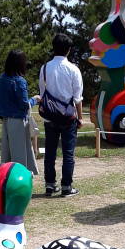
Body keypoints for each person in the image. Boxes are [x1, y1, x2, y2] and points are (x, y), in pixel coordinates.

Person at [40, 33, 84, 197]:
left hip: (49, 116)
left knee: (50, 152)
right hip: (68, 117)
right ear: (69, 50)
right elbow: (77, 98)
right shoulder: (73, 69)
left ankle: (50, 185)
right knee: (68, 153)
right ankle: (67, 186)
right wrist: (80, 117)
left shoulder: (44, 68)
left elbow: (43, 93)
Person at [0, 50, 40, 175]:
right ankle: (20, 177)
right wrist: (35, 99)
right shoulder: (19, 81)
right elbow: (24, 105)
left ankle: (5, 175)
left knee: (7, 151)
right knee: (20, 152)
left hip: (5, 119)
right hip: (18, 120)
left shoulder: (1, 78)